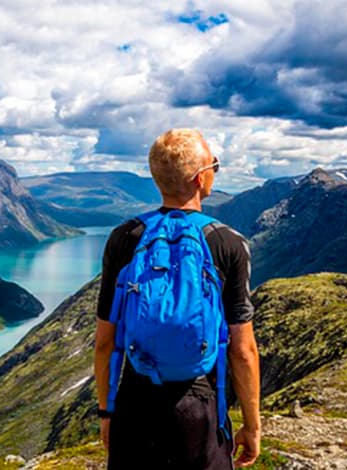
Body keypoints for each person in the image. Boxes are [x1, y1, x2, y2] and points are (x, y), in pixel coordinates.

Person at [94, 128, 261, 469]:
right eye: (215, 165)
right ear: (201, 178)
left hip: (135, 399)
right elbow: (242, 350)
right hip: (198, 403)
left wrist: (107, 412)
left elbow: (105, 342)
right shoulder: (227, 242)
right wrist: (252, 425)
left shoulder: (125, 237)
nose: (215, 171)